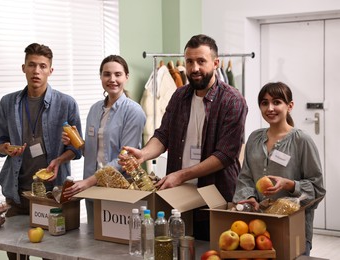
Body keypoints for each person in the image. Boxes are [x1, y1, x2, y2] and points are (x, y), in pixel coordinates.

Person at [119, 34, 248, 240]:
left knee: (212, 250)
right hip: (179, 197)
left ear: (215, 63)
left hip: (216, 196)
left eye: (201, 61)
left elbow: (225, 155)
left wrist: (181, 175)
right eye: (189, 61)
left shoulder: (232, 101)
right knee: (180, 250)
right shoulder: (180, 96)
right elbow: (163, 135)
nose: (194, 68)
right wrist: (143, 154)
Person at [0, 43, 83, 260]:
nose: (36, 71)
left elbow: (77, 149)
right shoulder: (8, 102)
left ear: (50, 71)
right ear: (23, 67)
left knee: (52, 254)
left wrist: (60, 159)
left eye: (42, 66)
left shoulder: (66, 103)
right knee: (15, 252)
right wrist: (5, 148)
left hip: (52, 195)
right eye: (32, 65)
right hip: (17, 193)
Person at [233, 82, 326, 256]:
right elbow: (245, 177)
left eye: (276, 102)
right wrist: (250, 197)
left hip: (293, 227)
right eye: (264, 103)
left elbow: (318, 189)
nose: (270, 108)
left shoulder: (301, 141)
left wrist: (290, 184)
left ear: (289, 106)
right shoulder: (254, 138)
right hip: (257, 227)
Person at [61, 55, 146, 227]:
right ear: (101, 77)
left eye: (118, 74)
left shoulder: (133, 112)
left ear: (126, 77)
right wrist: (77, 144)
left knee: (115, 245)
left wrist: (89, 181)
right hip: (92, 189)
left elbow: (125, 159)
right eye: (107, 74)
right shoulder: (94, 109)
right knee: (93, 239)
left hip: (118, 189)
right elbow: (95, 151)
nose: (112, 79)